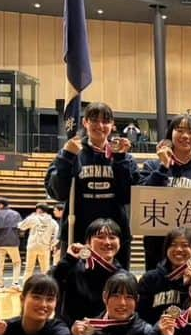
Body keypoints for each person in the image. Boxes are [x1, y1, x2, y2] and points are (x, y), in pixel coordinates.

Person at [45, 102, 137, 266]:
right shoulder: (72, 152)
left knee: (116, 287)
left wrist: (120, 159)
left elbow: (126, 196)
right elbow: (57, 192)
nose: (100, 125)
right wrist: (66, 157)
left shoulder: (124, 157)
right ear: (84, 122)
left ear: (112, 124)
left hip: (114, 236)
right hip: (77, 233)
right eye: (94, 120)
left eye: (105, 121)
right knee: (75, 287)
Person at [139, 113, 191, 270]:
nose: (185, 136)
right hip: (158, 248)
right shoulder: (152, 166)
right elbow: (143, 197)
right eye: (180, 130)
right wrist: (163, 167)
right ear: (171, 134)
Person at [51, 218, 126, 324]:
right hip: (71, 333)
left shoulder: (123, 276)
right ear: (88, 242)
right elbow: (53, 283)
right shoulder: (73, 268)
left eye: (112, 237)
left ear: (119, 243)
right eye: (100, 237)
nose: (107, 242)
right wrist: (68, 259)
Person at [137, 226, 191, 325]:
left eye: (185, 245)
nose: (179, 249)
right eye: (173, 245)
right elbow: (141, 315)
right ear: (166, 249)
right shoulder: (150, 279)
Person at [0, 197, 22, 291]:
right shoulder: (16, 214)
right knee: (17, 263)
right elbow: (21, 228)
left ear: (1, 205)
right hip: (13, 243)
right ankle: (15, 283)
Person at [18, 203, 59, 282]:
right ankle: (46, 286)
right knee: (45, 269)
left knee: (29, 268)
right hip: (45, 247)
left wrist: (30, 216)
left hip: (32, 246)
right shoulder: (53, 222)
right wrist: (51, 245)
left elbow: (22, 226)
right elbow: (57, 236)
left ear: (38, 210)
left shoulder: (33, 218)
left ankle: (25, 287)